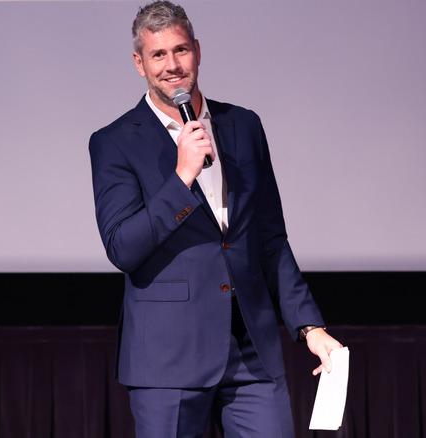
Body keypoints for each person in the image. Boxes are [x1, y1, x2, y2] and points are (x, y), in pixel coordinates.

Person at [89, 1, 343, 436]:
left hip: (251, 349)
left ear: (198, 51)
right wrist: (182, 175)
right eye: (158, 54)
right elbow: (124, 248)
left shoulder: (243, 125)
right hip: (167, 358)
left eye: (181, 50)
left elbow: (270, 238)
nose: (172, 65)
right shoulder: (114, 143)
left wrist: (309, 325)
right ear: (139, 63)